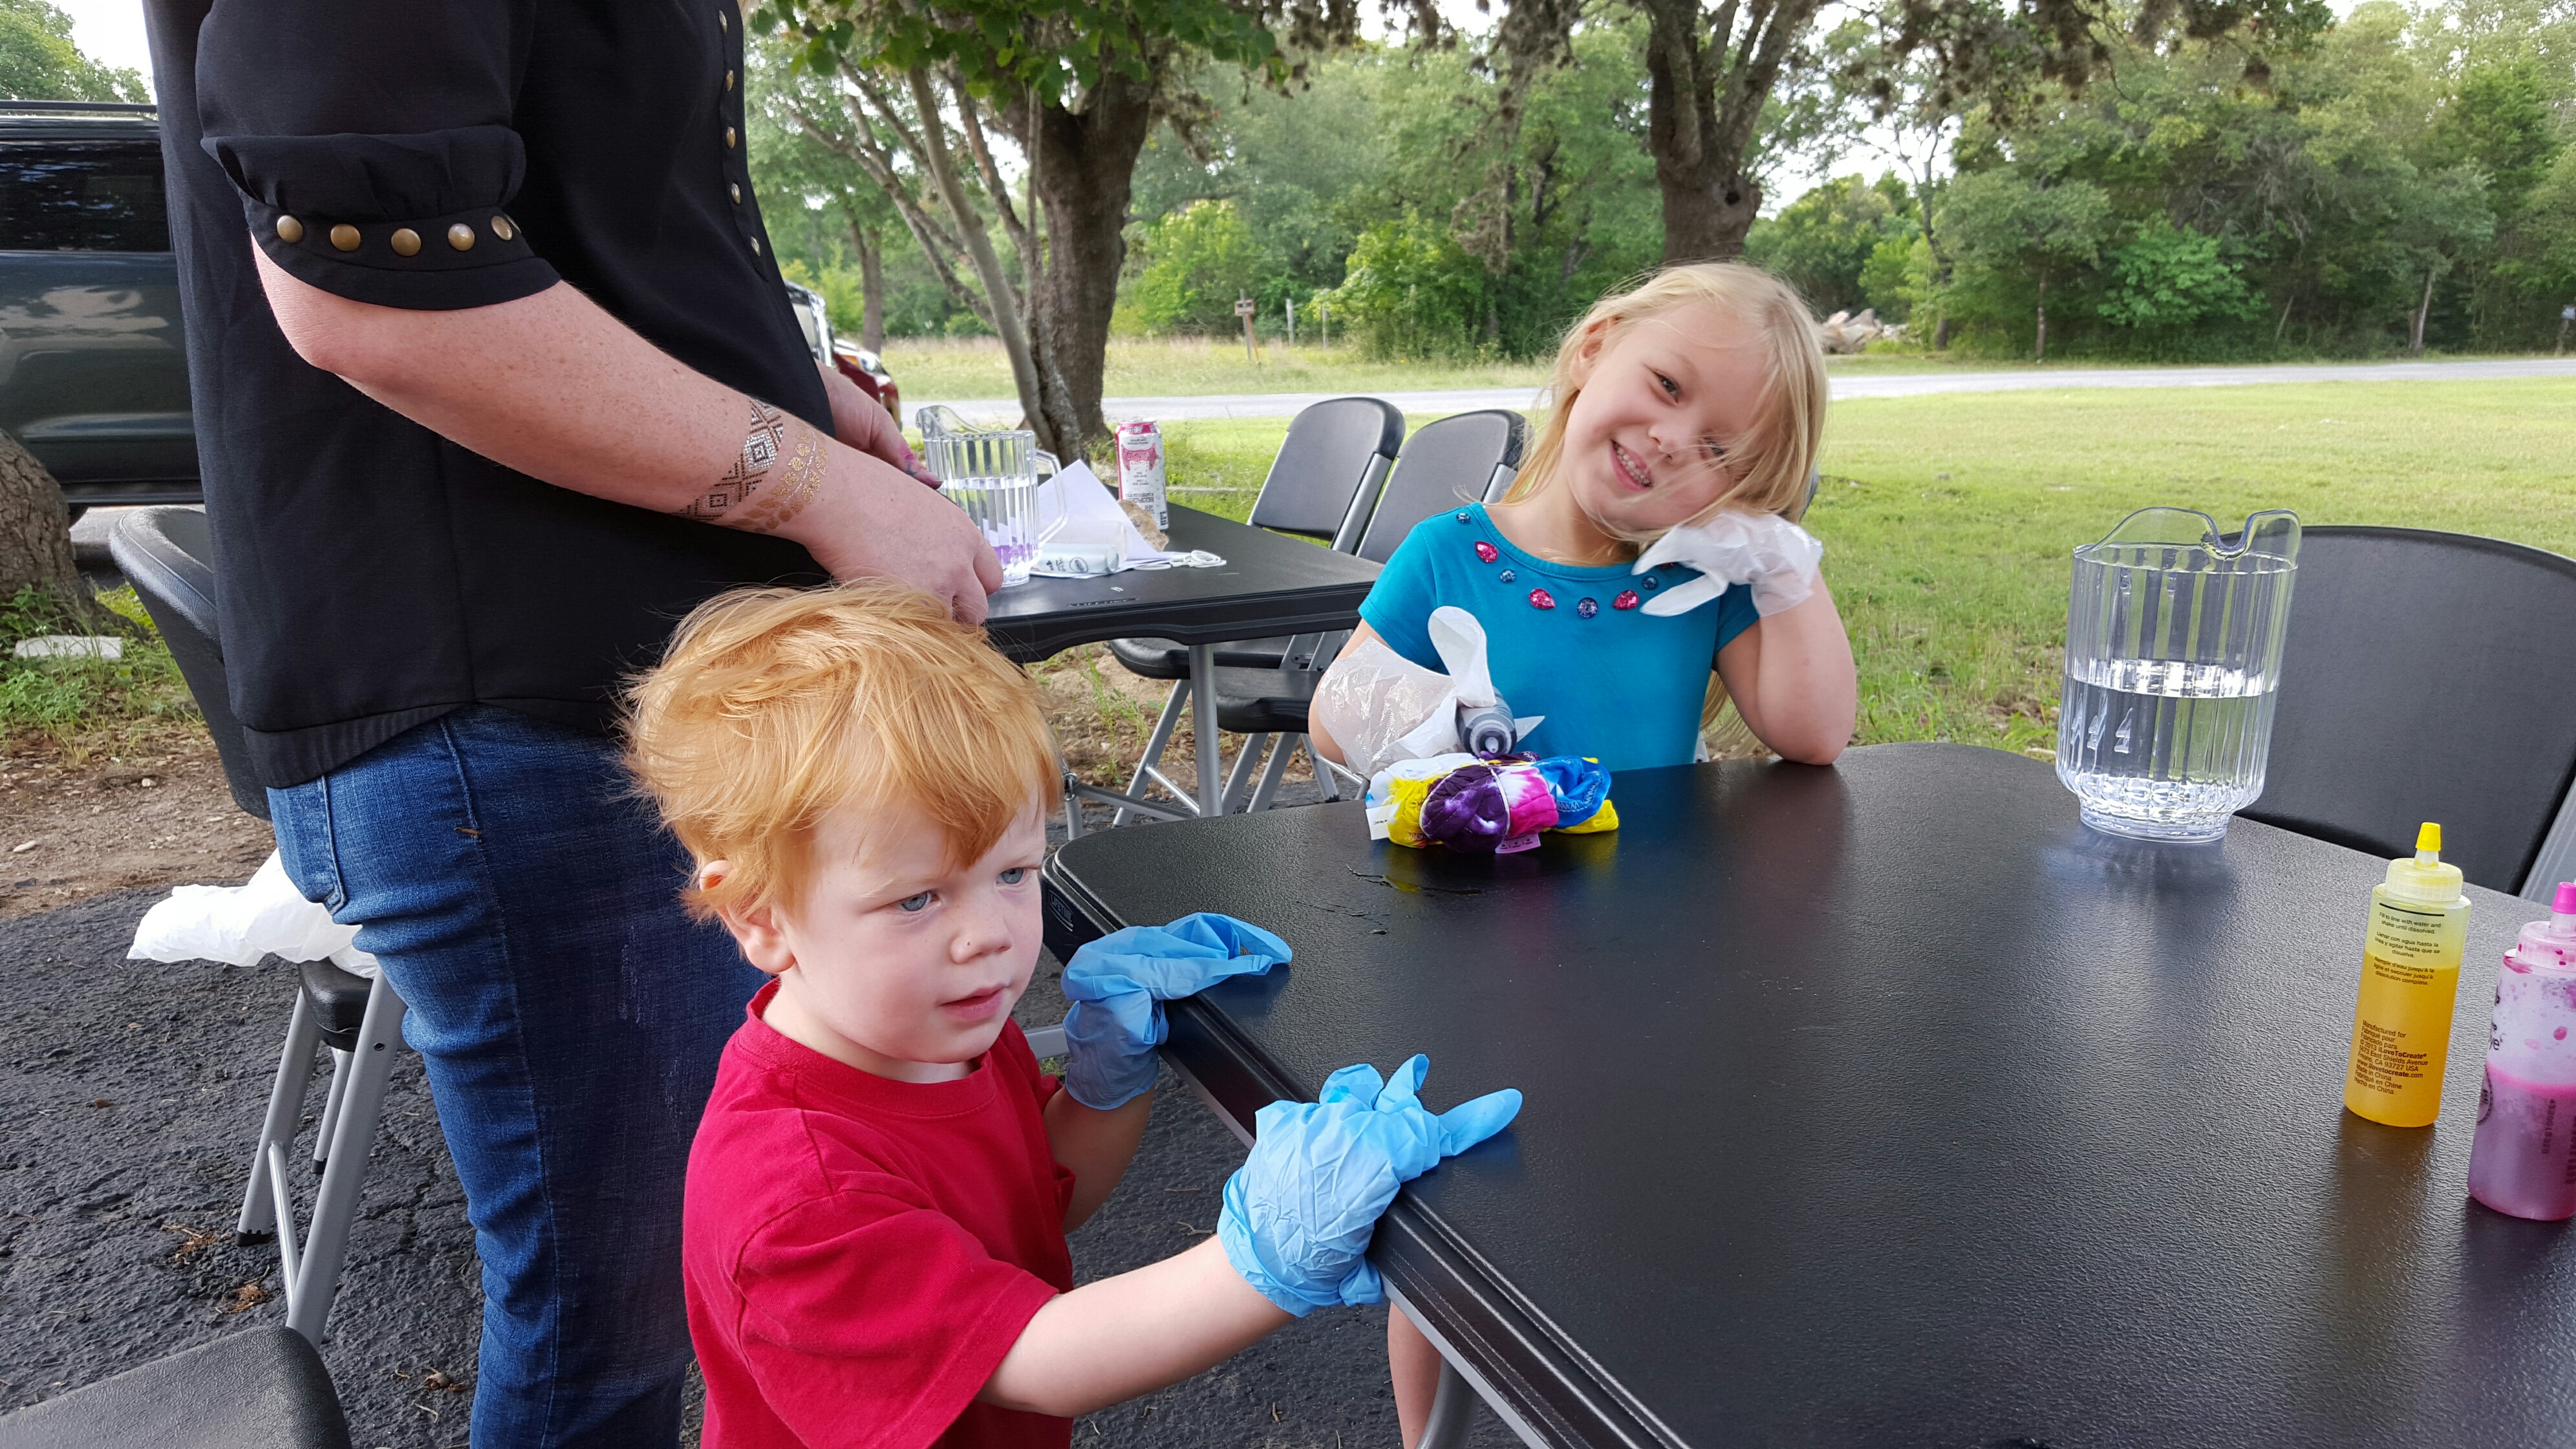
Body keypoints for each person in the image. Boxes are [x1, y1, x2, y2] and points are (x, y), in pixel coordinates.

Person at [140, 5, 997, 1444]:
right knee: (615, 1329)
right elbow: (368, 285)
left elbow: (563, 213)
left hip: (585, 712)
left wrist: (791, 388)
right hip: (530, 722)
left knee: (675, 1281)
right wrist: (817, 488)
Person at [622, 582, 1522, 1448]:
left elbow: (1039, 1204)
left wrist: (1103, 1080)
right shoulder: (793, 1199)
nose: (986, 937)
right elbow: (1031, 1354)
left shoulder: (936, 1028)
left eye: (1012, 873)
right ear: (760, 916)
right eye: (916, 899)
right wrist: (1260, 1262)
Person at [1305, 262, 1858, 1443]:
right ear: (1592, 347)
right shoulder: (1451, 552)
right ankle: (1430, 1438)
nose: (1671, 444)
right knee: (1452, 1221)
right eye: (1662, 387)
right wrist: (1413, 724)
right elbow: (1335, 713)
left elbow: (1813, 734)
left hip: (1645, 968)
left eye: (1720, 450)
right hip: (1466, 955)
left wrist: (1780, 567)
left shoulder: (1699, 587)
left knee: (1626, 1209)